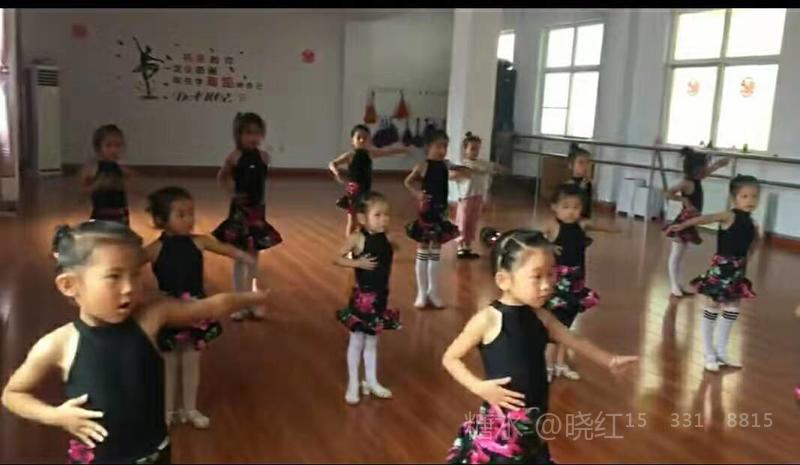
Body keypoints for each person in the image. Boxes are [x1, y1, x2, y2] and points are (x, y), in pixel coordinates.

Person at [1, 220, 271, 464]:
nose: (129, 287)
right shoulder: (58, 344)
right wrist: (56, 416)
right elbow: (13, 395)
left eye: (135, 274)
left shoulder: (150, 318)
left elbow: (210, 306)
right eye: (114, 276)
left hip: (155, 453)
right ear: (69, 285)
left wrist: (252, 298)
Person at [442, 228, 638, 463]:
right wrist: (479, 387)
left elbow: (573, 339)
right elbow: (450, 358)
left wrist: (609, 360)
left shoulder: (541, 316)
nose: (547, 285)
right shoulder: (488, 319)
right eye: (537, 277)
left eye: (551, 274)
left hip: (535, 418)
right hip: (501, 426)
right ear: (504, 280)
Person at [144, 186, 257, 429]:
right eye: (181, 214)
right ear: (161, 219)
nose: (189, 219)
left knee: (191, 359)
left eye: (191, 213)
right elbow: (131, 262)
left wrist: (246, 257)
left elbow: (225, 249)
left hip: (197, 310)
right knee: (169, 362)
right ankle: (168, 411)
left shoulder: (200, 242)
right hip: (169, 313)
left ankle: (190, 409)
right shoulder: (155, 248)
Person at [667, 175, 761, 372]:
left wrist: (746, 262)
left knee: (732, 309)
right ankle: (709, 354)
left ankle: (721, 352)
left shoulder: (753, 224)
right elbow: (705, 218)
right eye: (745, 196)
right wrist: (682, 225)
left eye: (754, 196)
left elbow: (752, 246)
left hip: (737, 272)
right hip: (720, 271)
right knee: (713, 307)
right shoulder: (729, 216)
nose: (750, 200)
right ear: (734, 198)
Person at [213, 112, 282, 322]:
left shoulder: (264, 157)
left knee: (253, 258)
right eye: (248, 133)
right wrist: (231, 194)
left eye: (257, 133)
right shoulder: (234, 157)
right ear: (239, 135)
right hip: (239, 214)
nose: (253, 137)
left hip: (257, 213)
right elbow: (221, 177)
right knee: (239, 257)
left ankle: (252, 300)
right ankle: (238, 302)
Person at [334, 191, 401, 405]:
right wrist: (357, 263)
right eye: (378, 215)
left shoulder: (386, 237)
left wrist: (393, 245)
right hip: (362, 299)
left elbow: (390, 252)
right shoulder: (358, 238)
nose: (384, 219)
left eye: (386, 215)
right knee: (357, 341)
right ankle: (353, 383)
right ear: (363, 218)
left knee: (372, 341)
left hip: (381, 297)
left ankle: (371, 381)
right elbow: (336, 257)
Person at [404, 129, 465, 309]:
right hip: (426, 213)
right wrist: (417, 194)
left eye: (445, 146)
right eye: (439, 146)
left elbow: (458, 171)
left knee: (436, 252)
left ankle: (433, 291)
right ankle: (421, 293)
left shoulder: (445, 165)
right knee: (423, 249)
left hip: (440, 213)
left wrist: (469, 170)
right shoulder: (423, 165)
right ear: (428, 146)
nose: (442, 150)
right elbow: (408, 182)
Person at [662, 147, 730, 298]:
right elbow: (667, 192)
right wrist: (683, 199)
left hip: (691, 221)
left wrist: (719, 164)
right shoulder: (686, 183)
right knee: (676, 254)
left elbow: (709, 171)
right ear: (696, 169)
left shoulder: (697, 179)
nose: (706, 170)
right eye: (704, 167)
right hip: (683, 221)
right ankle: (674, 286)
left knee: (680, 255)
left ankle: (678, 284)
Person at [329, 124, 412, 236]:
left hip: (365, 192)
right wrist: (336, 171)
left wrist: (402, 150)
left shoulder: (370, 153)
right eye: (359, 137)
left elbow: (387, 151)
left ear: (369, 140)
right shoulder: (350, 155)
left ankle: (361, 241)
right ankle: (350, 244)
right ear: (352, 141)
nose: (362, 140)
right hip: (354, 192)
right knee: (352, 220)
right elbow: (332, 163)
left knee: (364, 219)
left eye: (365, 137)